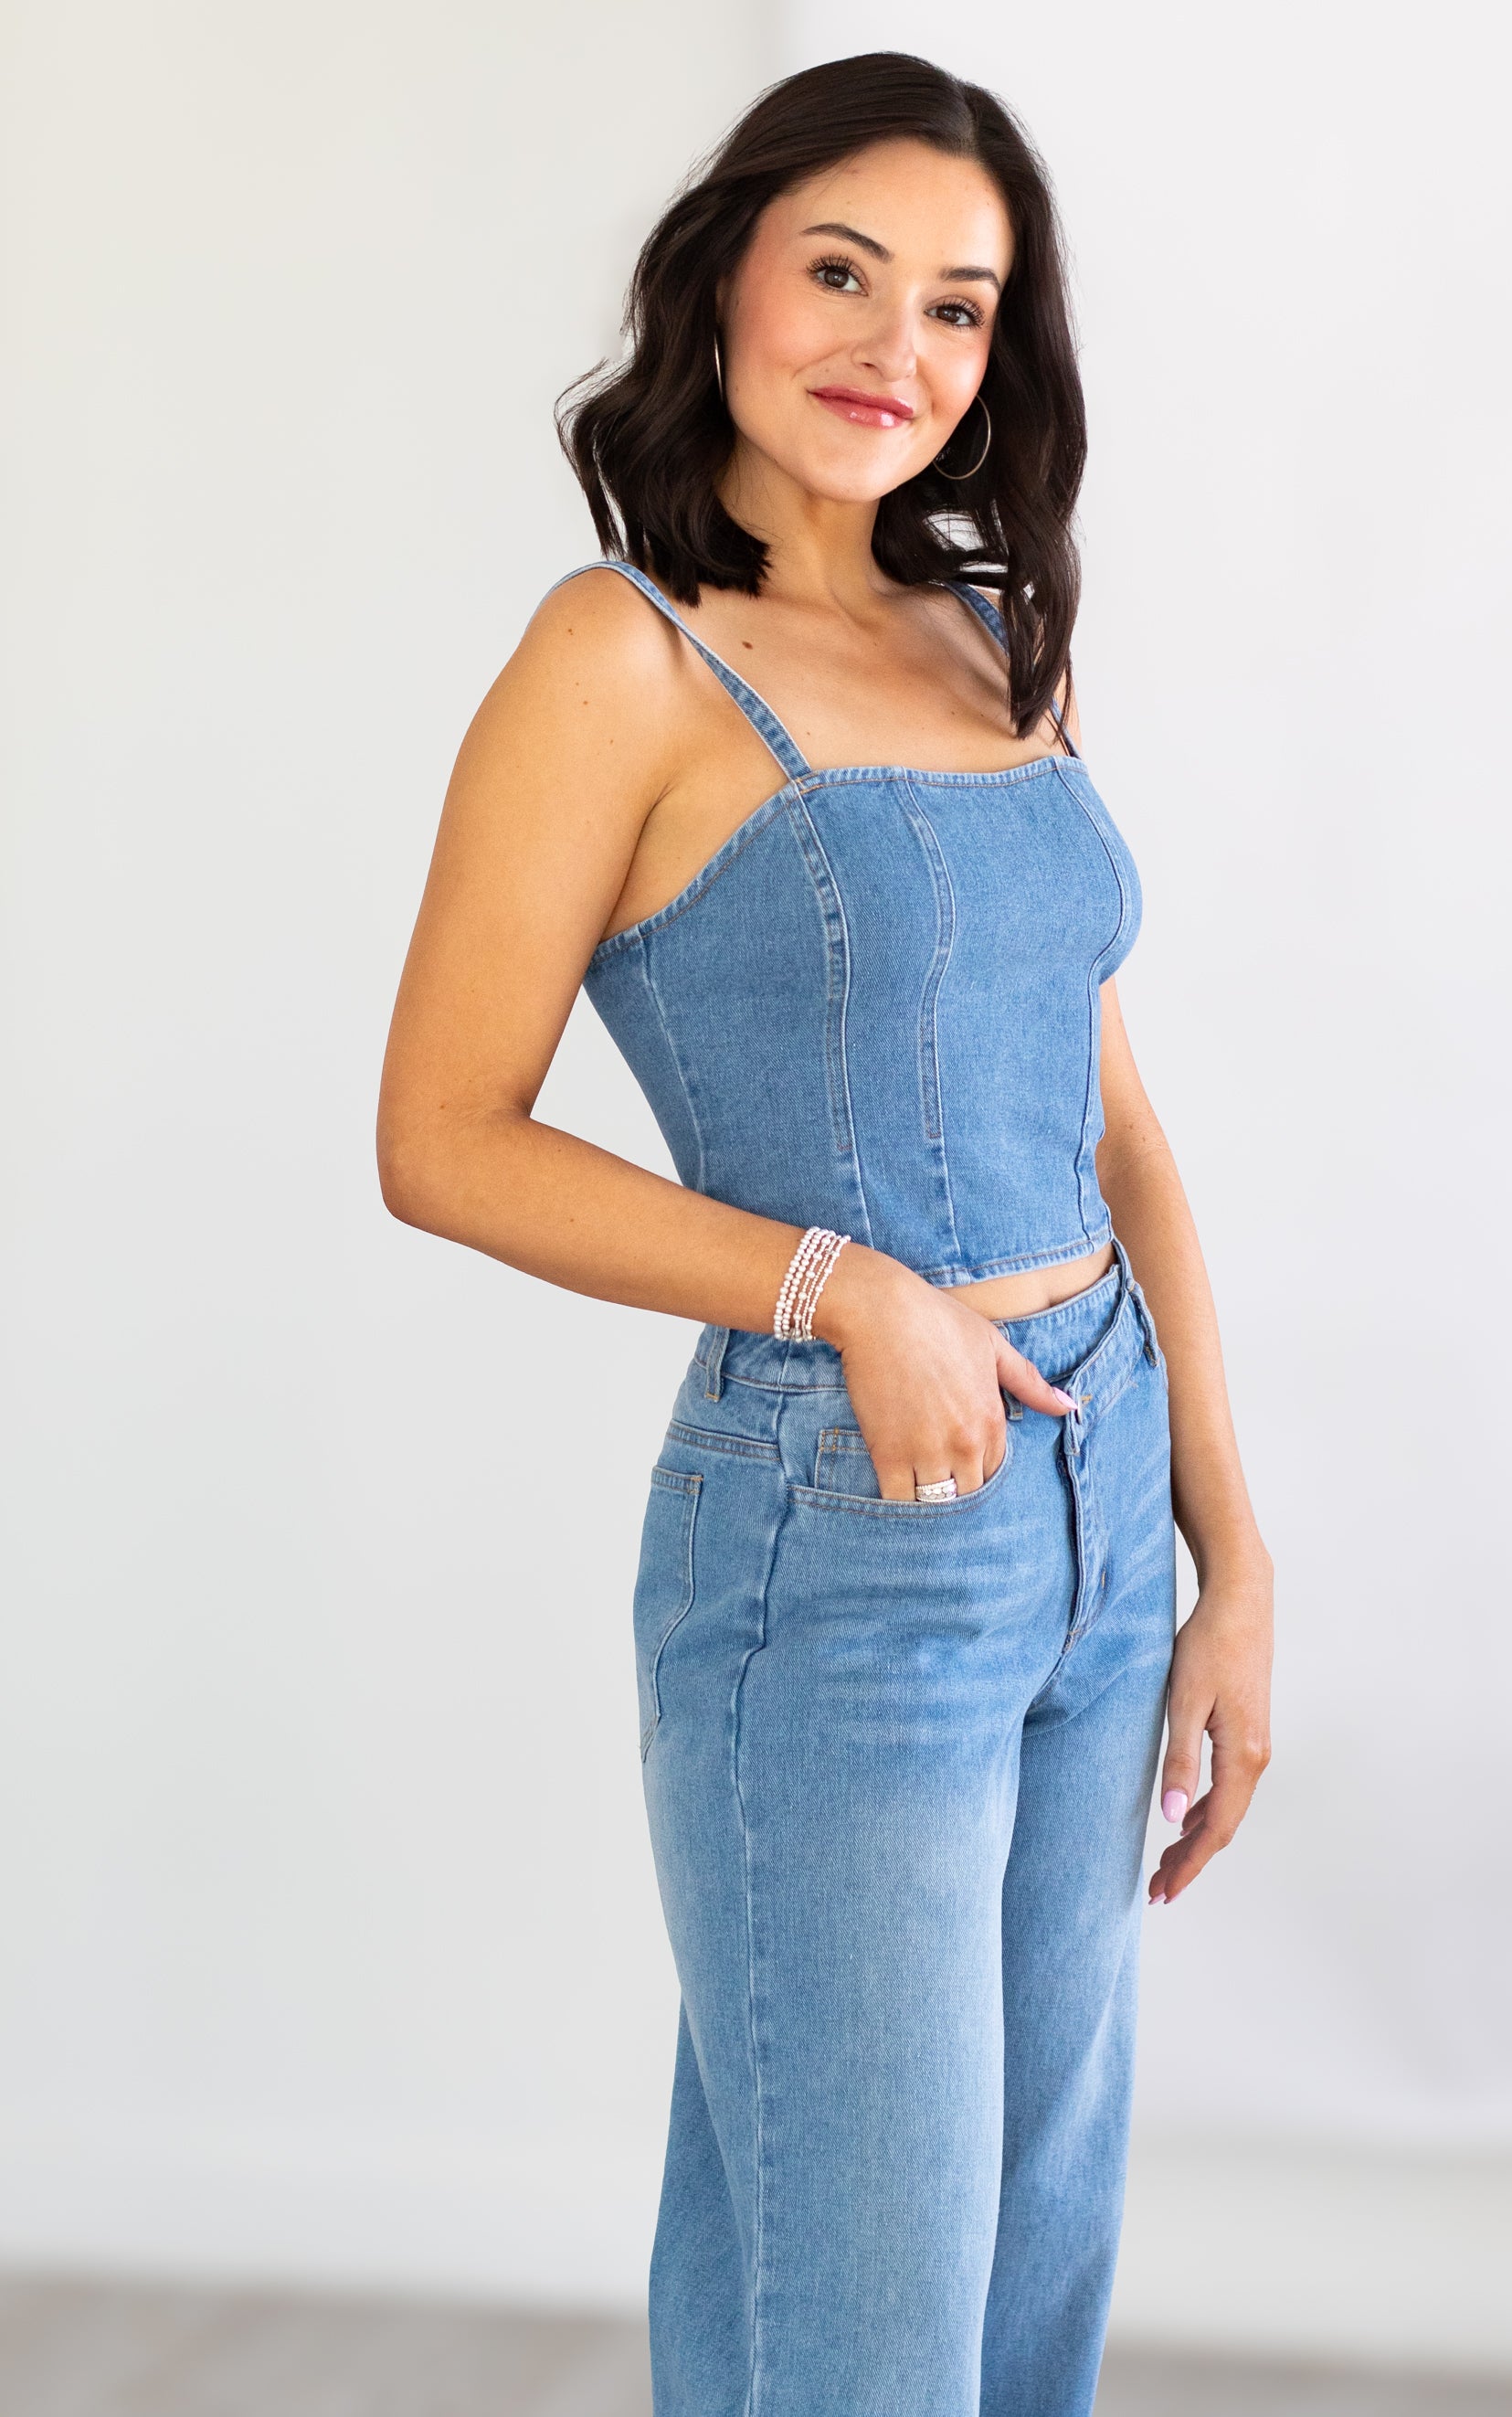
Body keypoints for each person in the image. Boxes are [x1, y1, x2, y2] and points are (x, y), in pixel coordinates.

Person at [377, 50, 1273, 2417]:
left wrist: (1229, 1561)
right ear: (726, 279)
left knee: (1021, 2285)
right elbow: (442, 1135)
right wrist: (834, 1282)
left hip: (1097, 1520)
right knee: (864, 2328)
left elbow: (1126, 1143)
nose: (900, 346)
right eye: (846, 273)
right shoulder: (617, 661)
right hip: (843, 1531)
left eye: (961, 308)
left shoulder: (1000, 649)